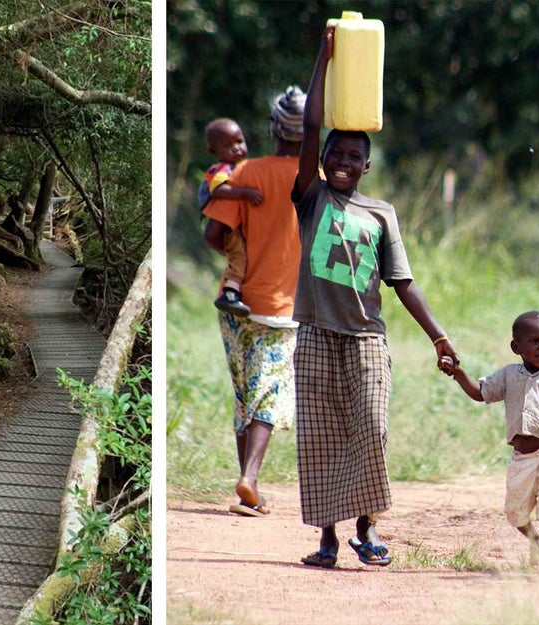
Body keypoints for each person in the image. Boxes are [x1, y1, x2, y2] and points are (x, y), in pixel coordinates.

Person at [292, 26, 458, 570]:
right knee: (320, 437)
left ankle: (366, 527)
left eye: (352, 156)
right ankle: (327, 538)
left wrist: (438, 335)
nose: (340, 160)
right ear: (322, 161)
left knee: (372, 427)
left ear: (366, 165)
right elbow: (311, 124)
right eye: (333, 153)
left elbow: (402, 281)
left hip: (366, 337)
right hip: (317, 332)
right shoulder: (311, 197)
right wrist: (325, 55)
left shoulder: (381, 213)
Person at [203, 87, 307, 518]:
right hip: (283, 306)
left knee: (245, 392)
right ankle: (250, 478)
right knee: (271, 392)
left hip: (236, 301)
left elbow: (212, 234)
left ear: (273, 128)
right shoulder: (317, 176)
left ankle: (249, 485)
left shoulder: (245, 172)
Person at [441, 311, 539, 573]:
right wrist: (458, 373)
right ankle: (535, 539)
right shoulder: (509, 375)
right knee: (515, 512)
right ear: (516, 347)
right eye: (534, 341)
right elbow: (480, 392)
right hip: (522, 460)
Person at [199, 118, 264, 317]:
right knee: (239, 255)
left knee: (243, 255)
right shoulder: (221, 169)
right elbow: (218, 190)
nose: (236, 148)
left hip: (235, 223)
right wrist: (245, 193)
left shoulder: (239, 168)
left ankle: (237, 289)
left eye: (239, 141)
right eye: (227, 146)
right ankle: (229, 294)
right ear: (214, 151)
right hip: (226, 225)